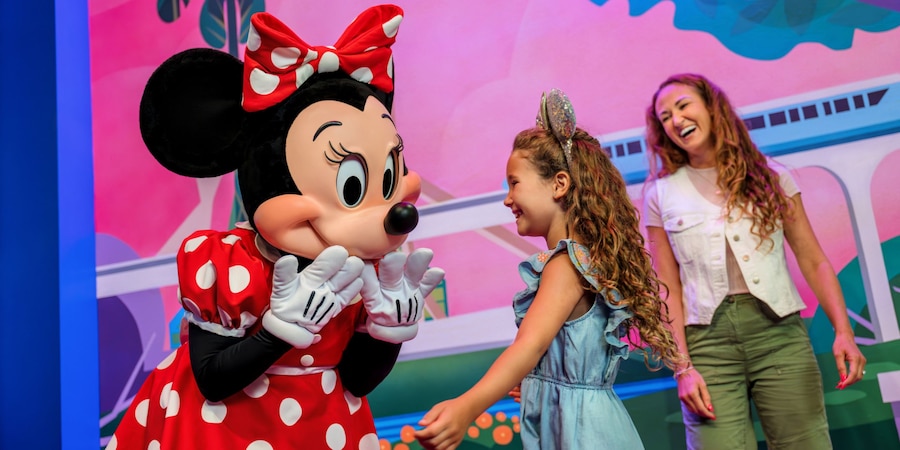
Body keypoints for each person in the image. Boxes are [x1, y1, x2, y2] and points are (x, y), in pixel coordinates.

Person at [110, 6, 444, 449]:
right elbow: (212, 378)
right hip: (226, 429)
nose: (394, 211)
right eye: (352, 185)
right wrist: (277, 332)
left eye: (386, 179)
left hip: (325, 425)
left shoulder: (365, 267)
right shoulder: (230, 261)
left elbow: (358, 380)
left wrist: (387, 333)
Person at [415, 89, 683, 450]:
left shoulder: (566, 264)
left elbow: (529, 345)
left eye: (514, 183)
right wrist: (541, 378)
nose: (508, 198)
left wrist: (466, 409)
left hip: (584, 433)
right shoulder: (579, 260)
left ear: (559, 184)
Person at [642, 73, 867, 450]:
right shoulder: (660, 194)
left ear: (713, 108)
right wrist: (683, 367)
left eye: (683, 106)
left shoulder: (772, 178)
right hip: (707, 348)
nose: (675, 121)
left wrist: (844, 331)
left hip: (779, 337)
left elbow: (814, 261)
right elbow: (667, 290)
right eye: (665, 117)